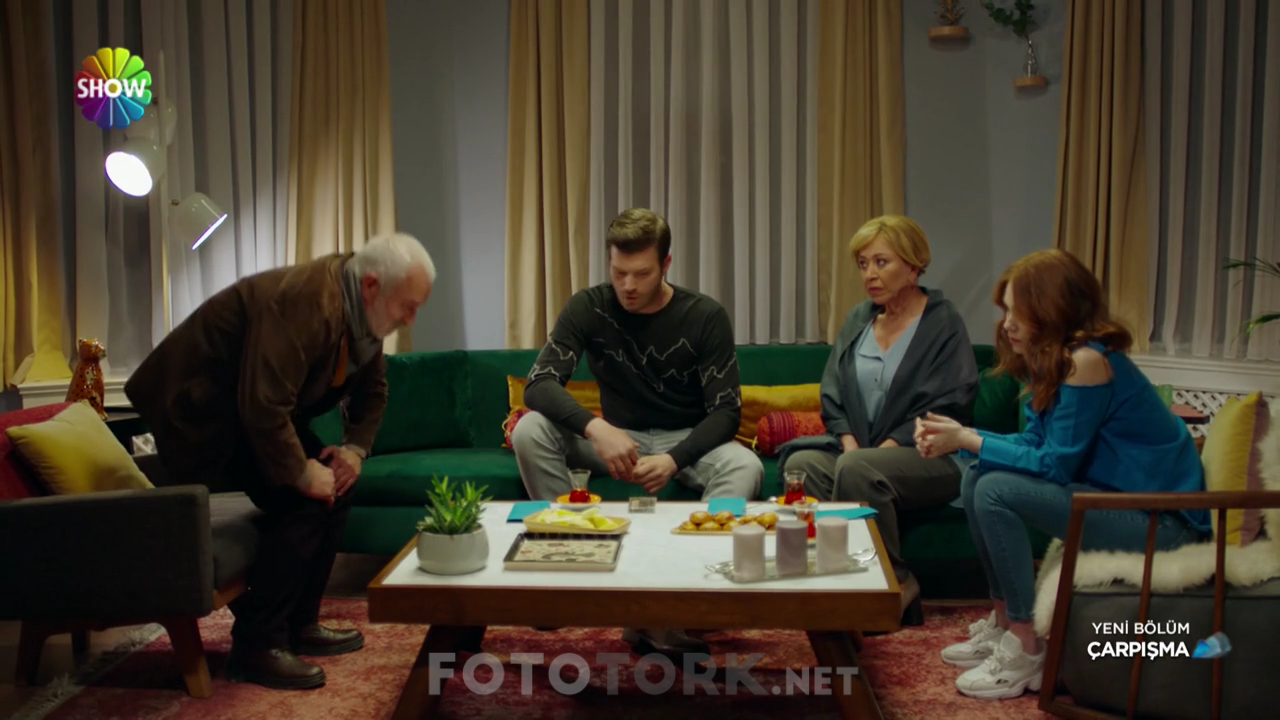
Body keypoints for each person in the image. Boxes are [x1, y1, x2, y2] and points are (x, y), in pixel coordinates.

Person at [124, 233, 435, 690]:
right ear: (372, 285)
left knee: (338, 486)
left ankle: (299, 625)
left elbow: (373, 390)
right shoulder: (304, 301)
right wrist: (301, 473)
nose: (410, 319)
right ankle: (257, 645)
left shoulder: (363, 314)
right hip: (199, 414)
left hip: (252, 412)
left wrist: (353, 451)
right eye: (408, 306)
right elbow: (262, 405)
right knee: (302, 499)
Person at [916, 248, 1209, 701]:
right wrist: (964, 437)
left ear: (1053, 310)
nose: (1007, 324)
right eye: (1006, 311)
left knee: (992, 488)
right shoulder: (1055, 359)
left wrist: (968, 439)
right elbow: (1036, 443)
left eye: (1019, 312)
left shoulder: (1088, 362)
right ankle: (1004, 623)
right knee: (978, 475)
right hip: (1116, 503)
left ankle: (1026, 645)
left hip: (1165, 525)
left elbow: (1055, 465)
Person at [511, 207, 763, 655]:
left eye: (641, 274)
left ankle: (686, 593)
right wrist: (597, 428)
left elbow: (726, 412)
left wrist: (674, 459)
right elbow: (539, 384)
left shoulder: (705, 315)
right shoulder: (588, 306)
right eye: (618, 272)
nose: (627, 285)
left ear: (666, 265)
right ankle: (567, 566)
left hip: (683, 438)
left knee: (746, 466)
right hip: (614, 437)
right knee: (530, 430)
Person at [778, 214, 978, 625]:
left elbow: (951, 401)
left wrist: (884, 448)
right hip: (861, 453)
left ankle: (893, 583)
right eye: (863, 264)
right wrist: (849, 441)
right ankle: (832, 578)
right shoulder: (859, 318)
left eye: (881, 262)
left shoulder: (942, 321)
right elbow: (832, 392)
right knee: (803, 465)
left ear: (913, 267)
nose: (870, 274)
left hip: (931, 455)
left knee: (859, 468)